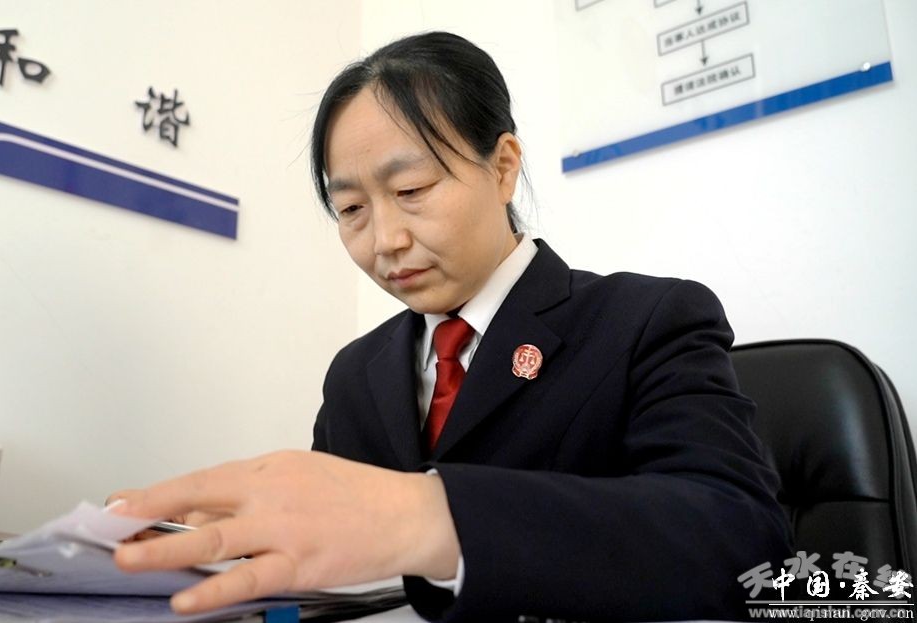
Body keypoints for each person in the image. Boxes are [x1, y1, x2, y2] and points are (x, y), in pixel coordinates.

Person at [111, 31, 792, 622]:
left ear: (503, 167)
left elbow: (744, 543)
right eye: (351, 209)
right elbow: (338, 570)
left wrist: (424, 515)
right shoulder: (356, 374)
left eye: (411, 190)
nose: (385, 239)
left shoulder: (646, 320)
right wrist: (249, 541)